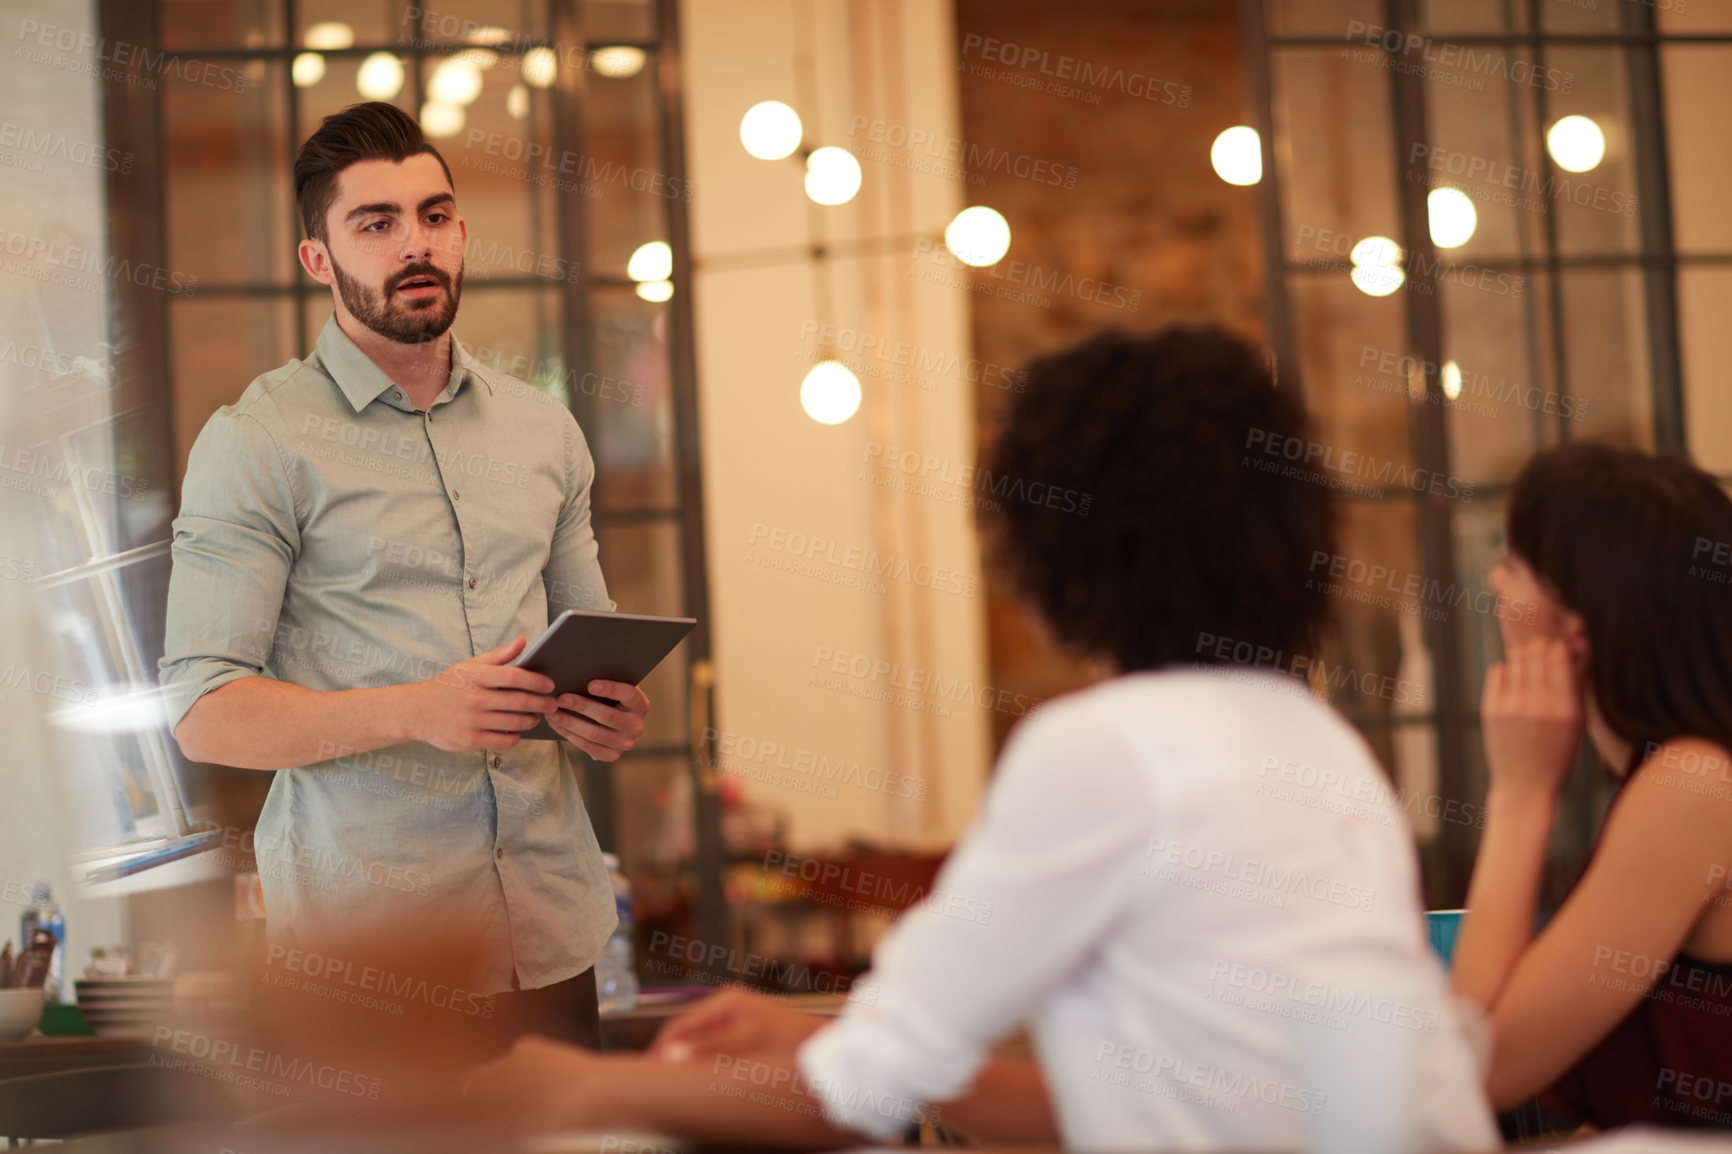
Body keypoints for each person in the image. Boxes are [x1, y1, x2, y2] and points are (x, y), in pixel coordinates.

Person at [465, 327, 1499, 1150]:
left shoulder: (1104, 749)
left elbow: (847, 1103)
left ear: (1058, 549)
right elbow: (1140, 1105)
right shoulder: (1315, 741)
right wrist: (826, 1030)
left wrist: (574, 1082)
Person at [157, 102, 650, 1048]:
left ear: (461, 233)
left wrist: (608, 714)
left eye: (432, 215)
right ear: (318, 259)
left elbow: (589, 642)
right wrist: (417, 710)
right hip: (371, 965)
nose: (412, 244)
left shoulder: (543, 430)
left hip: (553, 939)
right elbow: (204, 710)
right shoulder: (257, 442)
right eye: (374, 223)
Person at [1451, 443, 1732, 1129]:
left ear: (1578, 621)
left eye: (1514, 564)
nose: (1493, 581)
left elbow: (1470, 1072)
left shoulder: (1693, 785)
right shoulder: (1677, 771)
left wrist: (1521, 791)